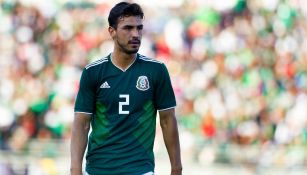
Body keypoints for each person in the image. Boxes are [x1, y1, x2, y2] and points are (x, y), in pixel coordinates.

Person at [70, 2, 182, 175]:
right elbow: (82, 123)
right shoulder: (93, 72)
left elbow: (168, 120)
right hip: (99, 168)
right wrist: (75, 168)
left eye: (139, 28)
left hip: (139, 168)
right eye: (128, 28)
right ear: (112, 31)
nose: (135, 34)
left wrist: (176, 167)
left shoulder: (156, 70)